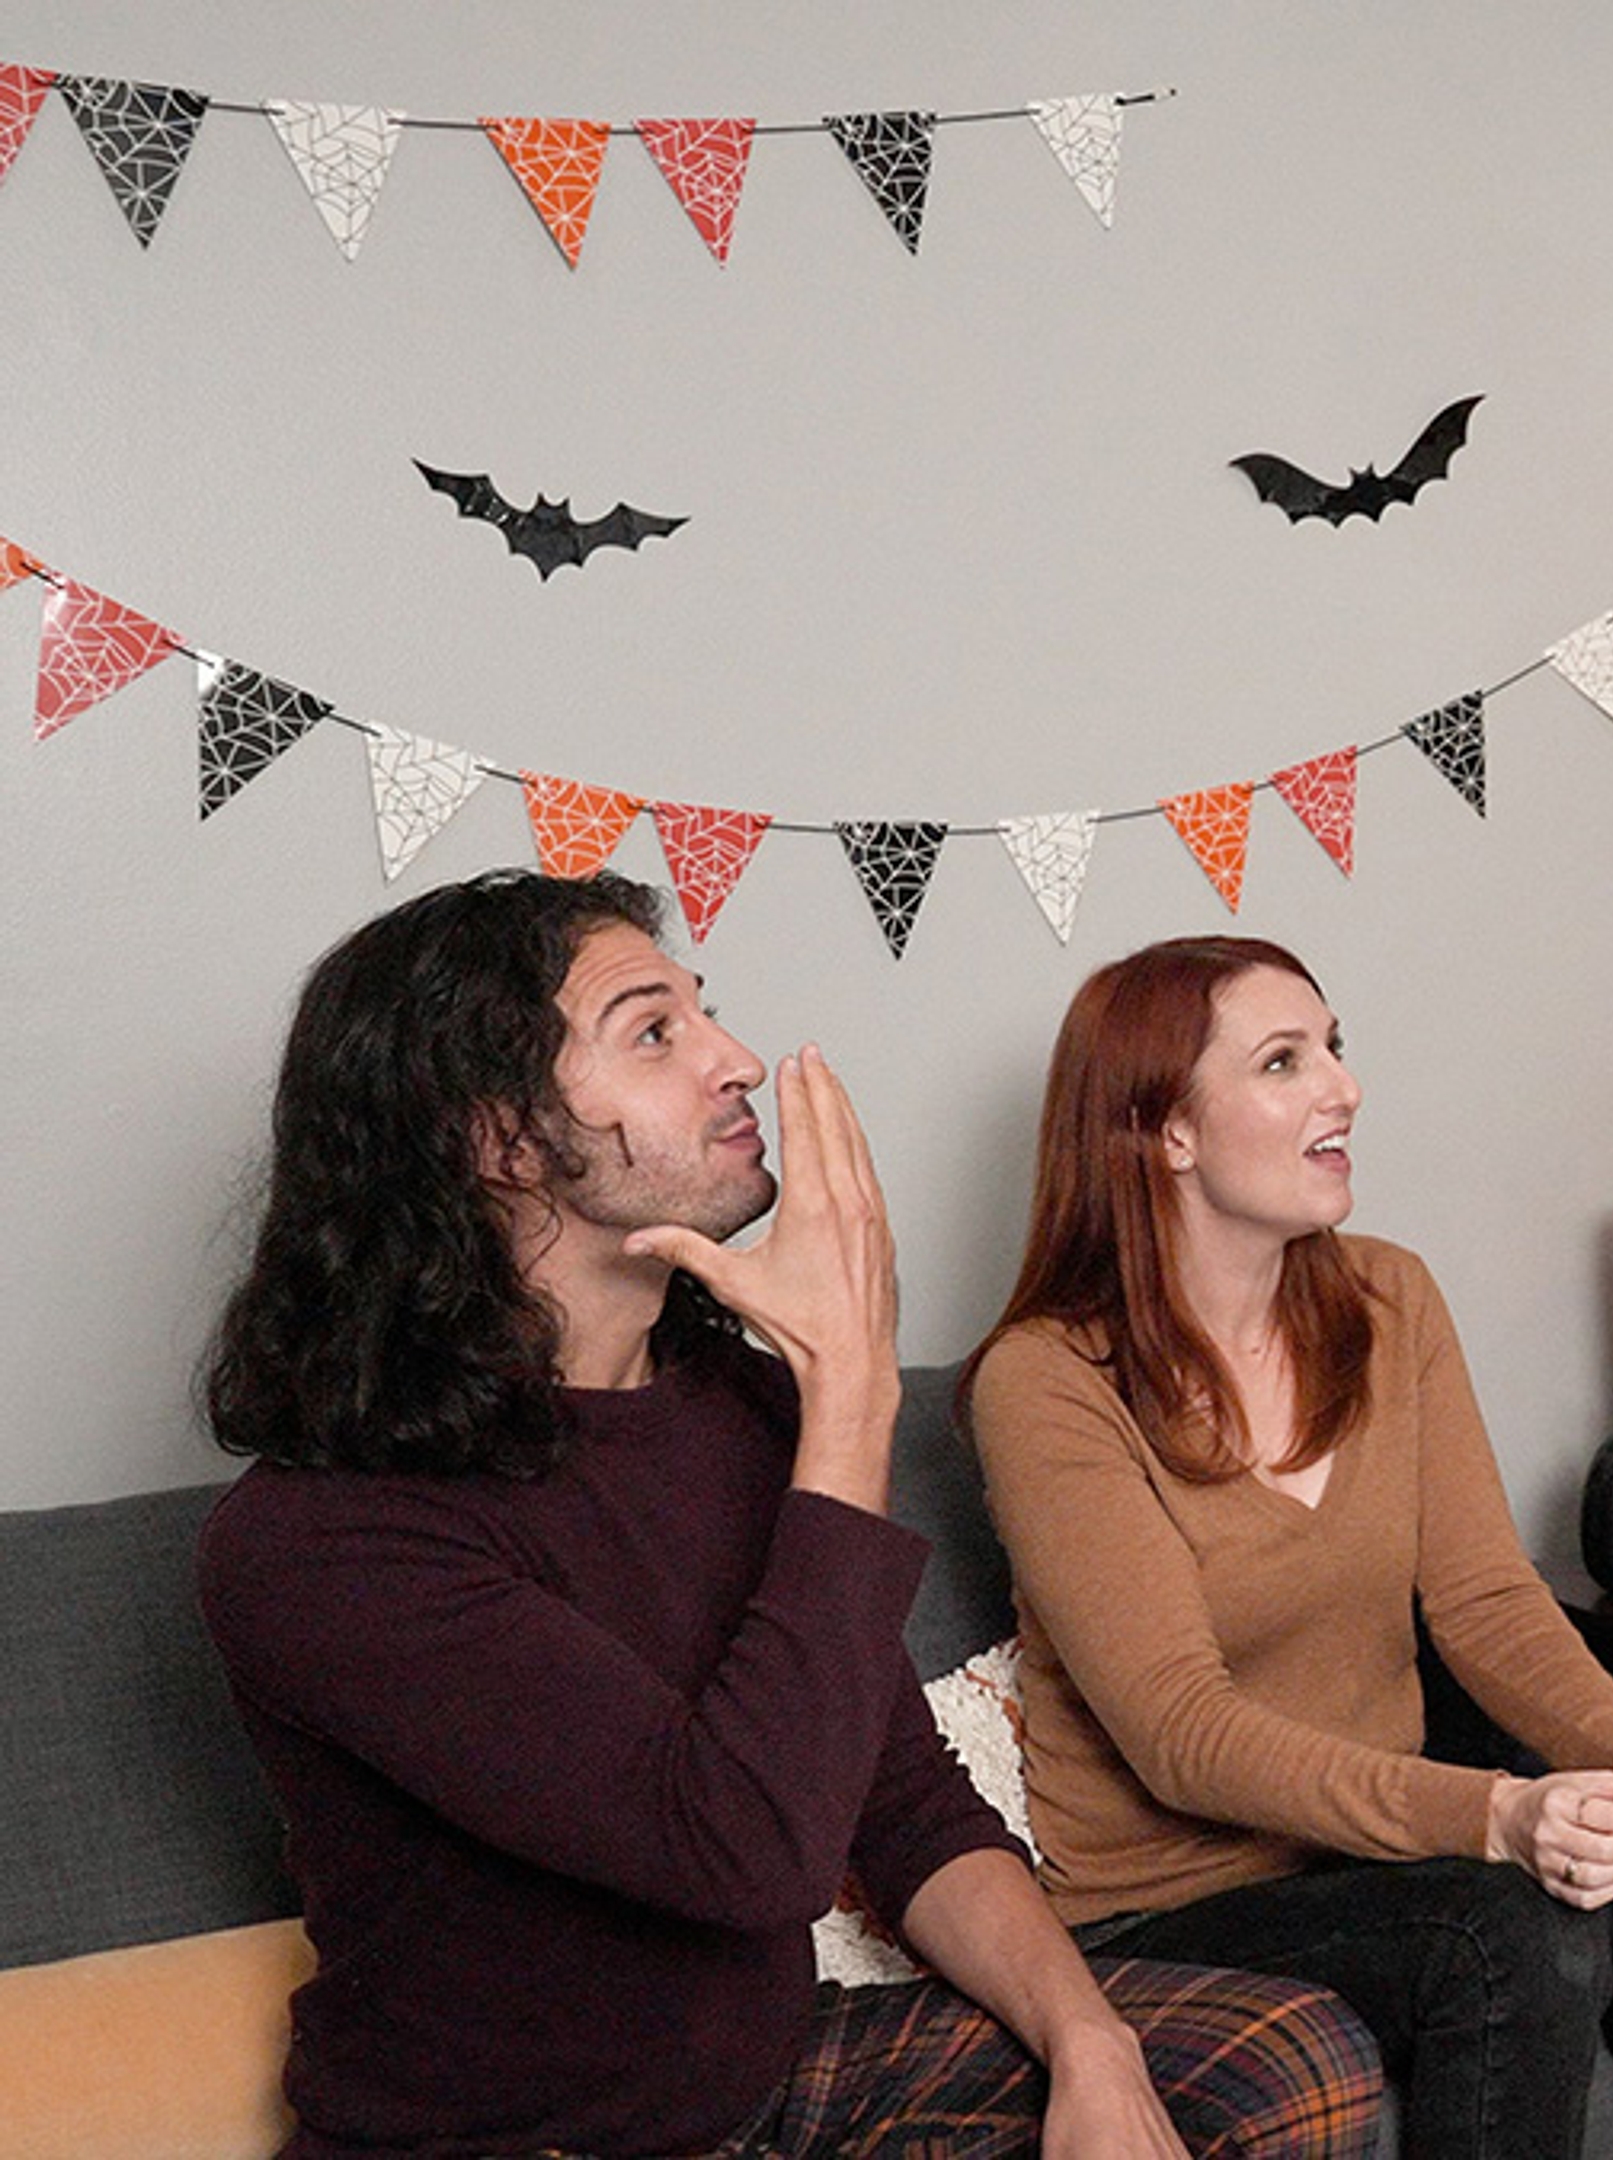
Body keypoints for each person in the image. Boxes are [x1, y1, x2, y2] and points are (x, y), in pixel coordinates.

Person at [194, 870, 1385, 2159]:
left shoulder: (739, 1408)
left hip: (772, 2087)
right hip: (521, 2140)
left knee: (1291, 2064)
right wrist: (855, 1392)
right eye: (654, 1032)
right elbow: (739, 1851)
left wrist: (1091, 2047)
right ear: (502, 1139)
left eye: (705, 1015)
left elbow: (905, 1806)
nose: (736, 1061)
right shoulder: (320, 1546)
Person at [967, 936, 1613, 2160]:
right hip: (1172, 1910)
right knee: (1511, 1938)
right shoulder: (1048, 1382)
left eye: (1335, 1046)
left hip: (1373, 1850)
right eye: (1285, 1061)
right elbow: (1180, 1732)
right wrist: (1501, 1814)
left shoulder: (1387, 1302)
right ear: (1164, 1130)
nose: (1343, 1087)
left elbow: (1483, 1596)